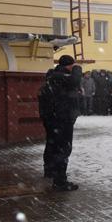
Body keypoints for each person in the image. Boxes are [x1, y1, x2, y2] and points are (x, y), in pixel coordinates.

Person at [38, 55, 82, 191]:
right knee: (63, 148)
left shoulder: (52, 77)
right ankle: (60, 181)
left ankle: (50, 171)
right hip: (61, 119)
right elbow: (75, 81)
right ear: (69, 65)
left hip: (52, 119)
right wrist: (78, 68)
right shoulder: (62, 77)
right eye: (72, 65)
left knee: (52, 144)